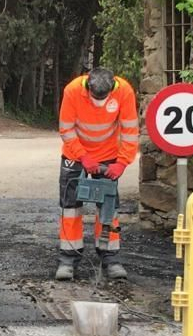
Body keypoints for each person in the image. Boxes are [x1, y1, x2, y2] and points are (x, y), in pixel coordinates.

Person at [55, 66, 139, 281]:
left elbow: (130, 131)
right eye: (95, 97)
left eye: (103, 98)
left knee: (109, 207)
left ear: (112, 88)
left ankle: (110, 257)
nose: (98, 101)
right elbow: (66, 129)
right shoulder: (73, 91)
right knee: (70, 207)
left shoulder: (124, 92)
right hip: (76, 154)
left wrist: (122, 163)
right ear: (88, 86)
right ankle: (68, 259)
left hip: (109, 154)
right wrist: (83, 157)